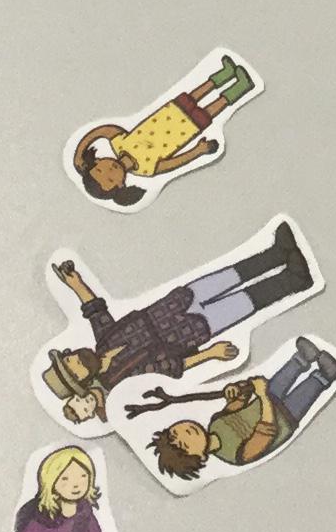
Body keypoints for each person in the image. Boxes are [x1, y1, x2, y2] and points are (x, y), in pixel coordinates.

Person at [41, 223, 317, 426]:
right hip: (190, 332)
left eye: (69, 360)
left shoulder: (103, 341)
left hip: (173, 304)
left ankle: (277, 254)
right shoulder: (119, 381)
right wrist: (209, 354)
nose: (76, 361)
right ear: (84, 381)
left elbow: (95, 310)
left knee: (227, 277)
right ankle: (294, 279)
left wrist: (75, 282)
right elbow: (170, 367)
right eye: (75, 371)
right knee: (244, 303)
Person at [148, 338, 336, 483]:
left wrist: (236, 393)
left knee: (277, 383)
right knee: (305, 391)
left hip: (264, 401)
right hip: (284, 418)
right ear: (200, 458)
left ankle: (301, 360)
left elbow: (236, 406)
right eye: (185, 443)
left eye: (177, 431)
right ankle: (323, 376)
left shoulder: (215, 424)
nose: (186, 432)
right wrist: (262, 396)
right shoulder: (236, 455)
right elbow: (267, 432)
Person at [73, 53, 258, 208]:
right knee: (211, 110)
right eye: (110, 180)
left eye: (99, 169)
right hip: (187, 129)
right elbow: (176, 162)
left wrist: (80, 153)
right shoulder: (146, 169)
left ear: (97, 161)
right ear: (121, 185)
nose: (109, 171)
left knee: (194, 95)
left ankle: (224, 74)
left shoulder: (119, 143)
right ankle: (240, 87)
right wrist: (198, 151)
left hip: (171, 111)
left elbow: (102, 131)